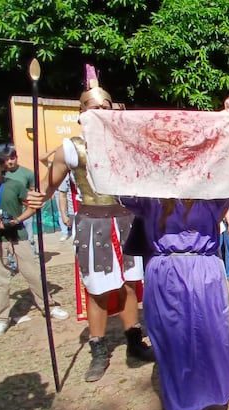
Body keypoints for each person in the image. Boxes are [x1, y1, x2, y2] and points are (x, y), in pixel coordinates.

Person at [25, 67, 154, 382]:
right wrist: (33, 202)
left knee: (130, 284)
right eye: (93, 108)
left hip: (126, 220)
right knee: (98, 289)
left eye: (105, 108)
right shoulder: (72, 147)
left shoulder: (126, 145)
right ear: (81, 112)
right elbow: (47, 187)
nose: (99, 112)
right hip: (92, 223)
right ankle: (98, 348)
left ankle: (134, 341)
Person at [119, 197, 229, 410]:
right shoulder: (150, 195)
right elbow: (122, 192)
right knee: (172, 341)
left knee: (212, 336)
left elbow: (224, 200)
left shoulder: (212, 192)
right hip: (169, 270)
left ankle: (214, 391)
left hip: (202, 268)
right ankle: (181, 405)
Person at [0, 150, 70, 337]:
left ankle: (49, 307)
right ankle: (1, 319)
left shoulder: (15, 185)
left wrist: (17, 220)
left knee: (32, 274)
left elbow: (33, 206)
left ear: (2, 166)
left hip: (18, 236)